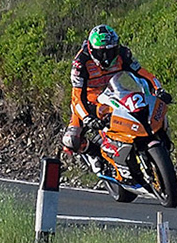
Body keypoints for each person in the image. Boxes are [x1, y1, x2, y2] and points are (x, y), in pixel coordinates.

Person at [61, 24, 168, 155]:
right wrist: (87, 117)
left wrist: (159, 89)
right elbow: (77, 97)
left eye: (111, 52)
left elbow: (143, 73)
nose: (107, 58)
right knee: (71, 140)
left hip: (118, 93)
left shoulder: (123, 54)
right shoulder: (80, 64)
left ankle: (160, 140)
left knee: (146, 110)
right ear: (92, 49)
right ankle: (94, 154)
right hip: (90, 102)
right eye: (102, 53)